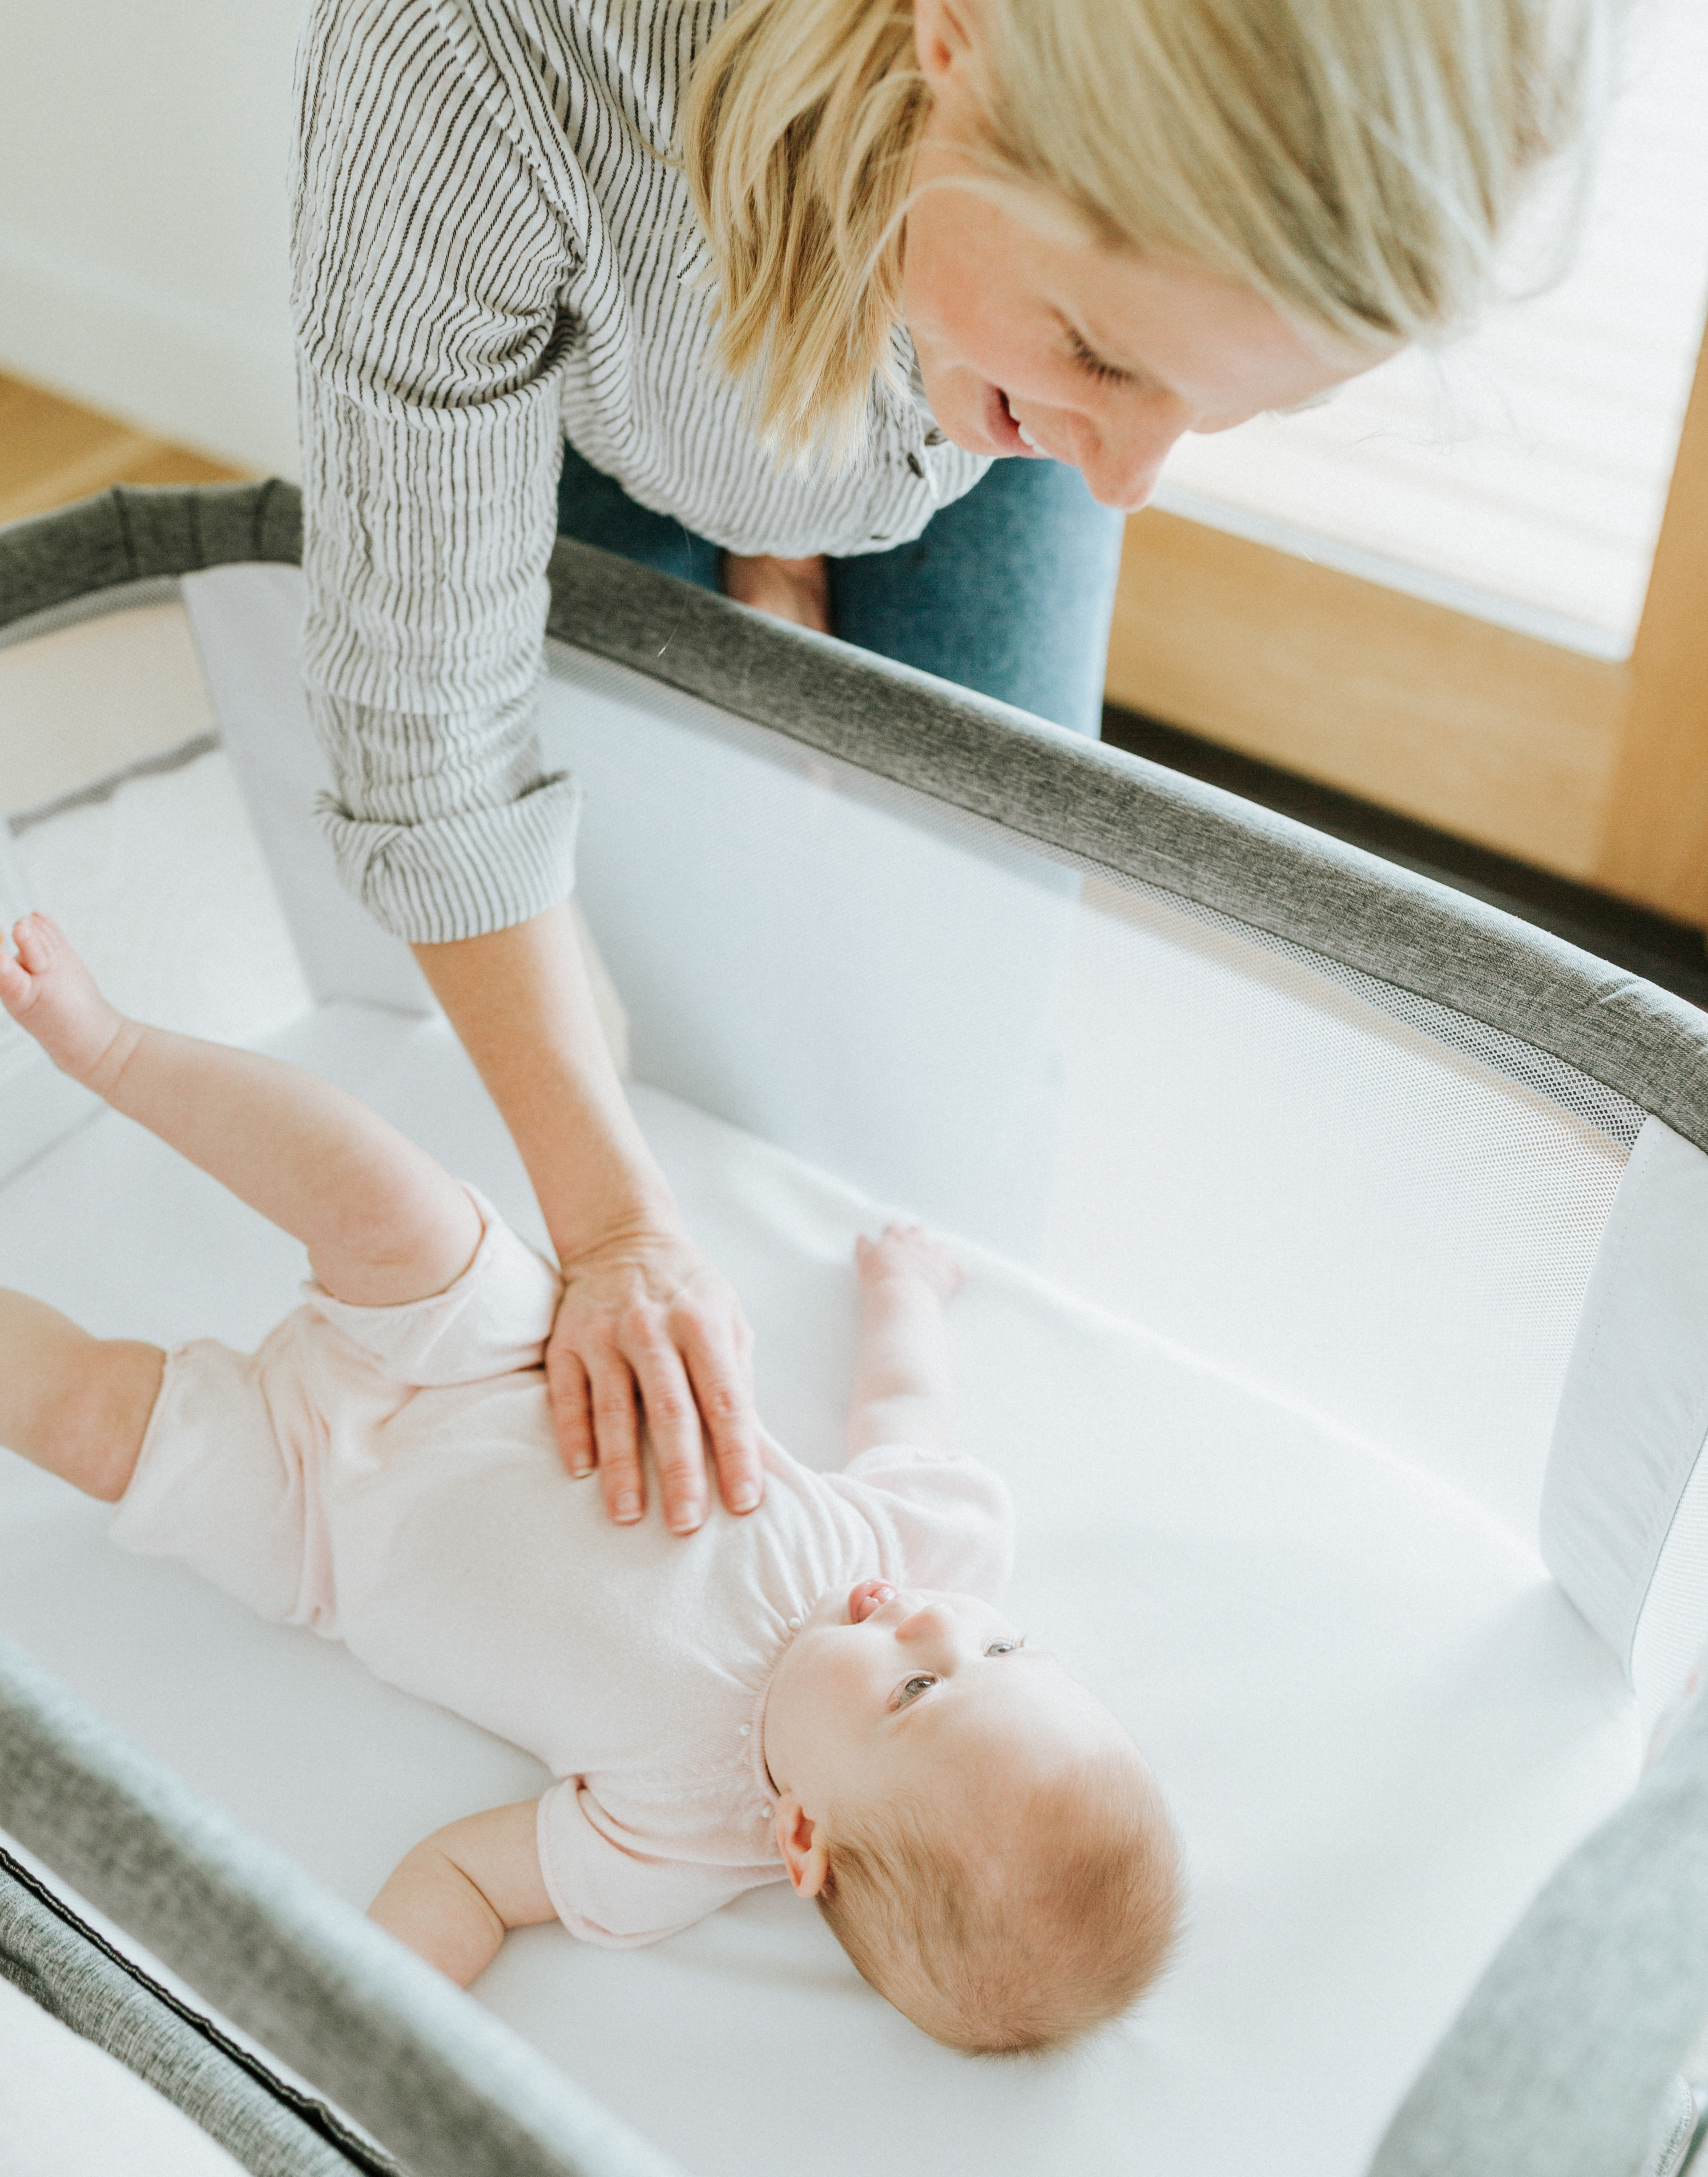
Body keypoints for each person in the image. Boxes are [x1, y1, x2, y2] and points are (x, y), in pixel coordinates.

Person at [291, 0, 1611, 1541]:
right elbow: (427, 734)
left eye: (1232, 404)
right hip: (606, 387)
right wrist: (616, 1231)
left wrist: (1094, 363)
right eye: (1106, 352)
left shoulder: (1089, 364)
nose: (1134, 478)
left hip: (939, 352)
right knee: (681, 1015)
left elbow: (1103, 400)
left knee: (972, 1020)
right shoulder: (472, 57)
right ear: (955, 42)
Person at [0, 912, 1179, 2056]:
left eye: (913, 1692)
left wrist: (360, 2029)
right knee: (385, 1197)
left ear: (806, 1836)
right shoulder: (912, 1549)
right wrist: (907, 1298)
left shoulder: (673, 1846)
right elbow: (904, 1413)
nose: (931, 1623)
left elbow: (466, 1877)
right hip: (501, 1355)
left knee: (92, 1419)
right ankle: (111, 1046)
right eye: (1007, 1650)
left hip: (316, 1526)